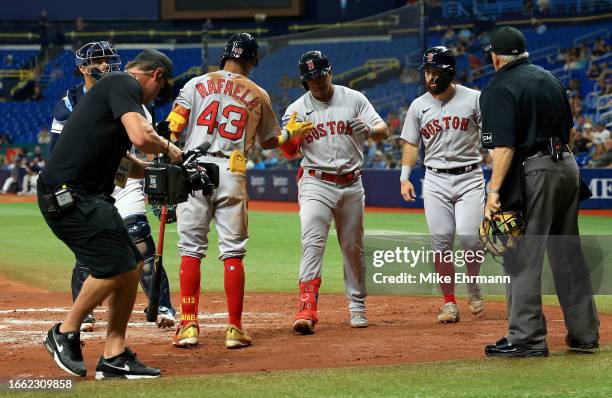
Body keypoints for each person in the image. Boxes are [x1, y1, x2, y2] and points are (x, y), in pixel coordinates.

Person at [38, 48, 182, 378]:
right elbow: (140, 137)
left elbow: (122, 161)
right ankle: (64, 332)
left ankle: (114, 354)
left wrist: (152, 173)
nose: (156, 95)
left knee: (131, 264)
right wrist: (173, 151)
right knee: (115, 266)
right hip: (67, 194)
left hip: (86, 195)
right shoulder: (123, 83)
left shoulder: (114, 94)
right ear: (156, 75)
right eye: (159, 88)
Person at [166, 33, 305, 348]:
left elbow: (173, 126)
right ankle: (234, 329)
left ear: (225, 55)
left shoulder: (195, 84)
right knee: (233, 253)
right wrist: (289, 134)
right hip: (233, 168)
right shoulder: (258, 94)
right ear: (252, 60)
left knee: (190, 250)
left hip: (194, 168)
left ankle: (188, 325)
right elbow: (271, 141)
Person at [480, 26, 599, 357]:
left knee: (521, 255)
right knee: (568, 253)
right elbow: (572, 132)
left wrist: (494, 193)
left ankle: (527, 338)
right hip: (567, 165)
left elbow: (502, 149)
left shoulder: (498, 87)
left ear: (495, 57)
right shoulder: (551, 79)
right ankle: (585, 334)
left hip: (534, 169)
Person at [280, 50, 389, 334]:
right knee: (312, 242)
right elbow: (288, 151)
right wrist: (293, 138)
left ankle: (357, 306)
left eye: (320, 75)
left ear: (330, 72)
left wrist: (368, 128)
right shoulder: (297, 109)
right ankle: (306, 307)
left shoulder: (354, 98)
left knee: (353, 248)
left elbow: (383, 130)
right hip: (316, 181)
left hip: (352, 183)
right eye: (310, 78)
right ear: (304, 81)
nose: (316, 81)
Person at [399, 46, 485, 323]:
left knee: (471, 237)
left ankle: (472, 283)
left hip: (470, 176)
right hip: (434, 178)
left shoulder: (475, 99)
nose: (431, 76)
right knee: (441, 241)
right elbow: (411, 143)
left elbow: (492, 139)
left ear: (450, 71)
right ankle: (449, 302)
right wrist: (404, 176)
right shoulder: (418, 105)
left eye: (436, 71)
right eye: (427, 71)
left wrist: (497, 179)